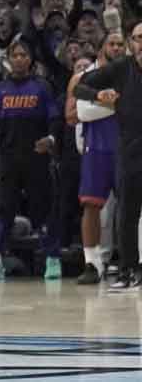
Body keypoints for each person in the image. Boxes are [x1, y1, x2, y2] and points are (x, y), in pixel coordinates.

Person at [0, 41, 65, 281]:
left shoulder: (41, 87)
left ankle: (52, 259)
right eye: (16, 55)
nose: (20, 58)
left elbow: (54, 118)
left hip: (37, 157)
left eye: (24, 54)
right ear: (9, 59)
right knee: (3, 208)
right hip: (8, 158)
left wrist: (51, 138)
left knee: (42, 210)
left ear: (30, 60)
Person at [75, 22, 142, 290]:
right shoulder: (120, 68)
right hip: (129, 150)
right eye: (138, 38)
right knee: (127, 213)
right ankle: (128, 271)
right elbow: (80, 87)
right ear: (131, 43)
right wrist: (98, 94)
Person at [68, 32, 125, 285]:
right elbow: (80, 113)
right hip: (97, 147)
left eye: (121, 44)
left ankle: (134, 262)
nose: (116, 47)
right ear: (102, 49)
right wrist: (119, 106)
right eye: (111, 44)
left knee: (134, 207)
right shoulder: (87, 76)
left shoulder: (133, 73)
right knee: (91, 206)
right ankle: (92, 263)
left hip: (128, 147)